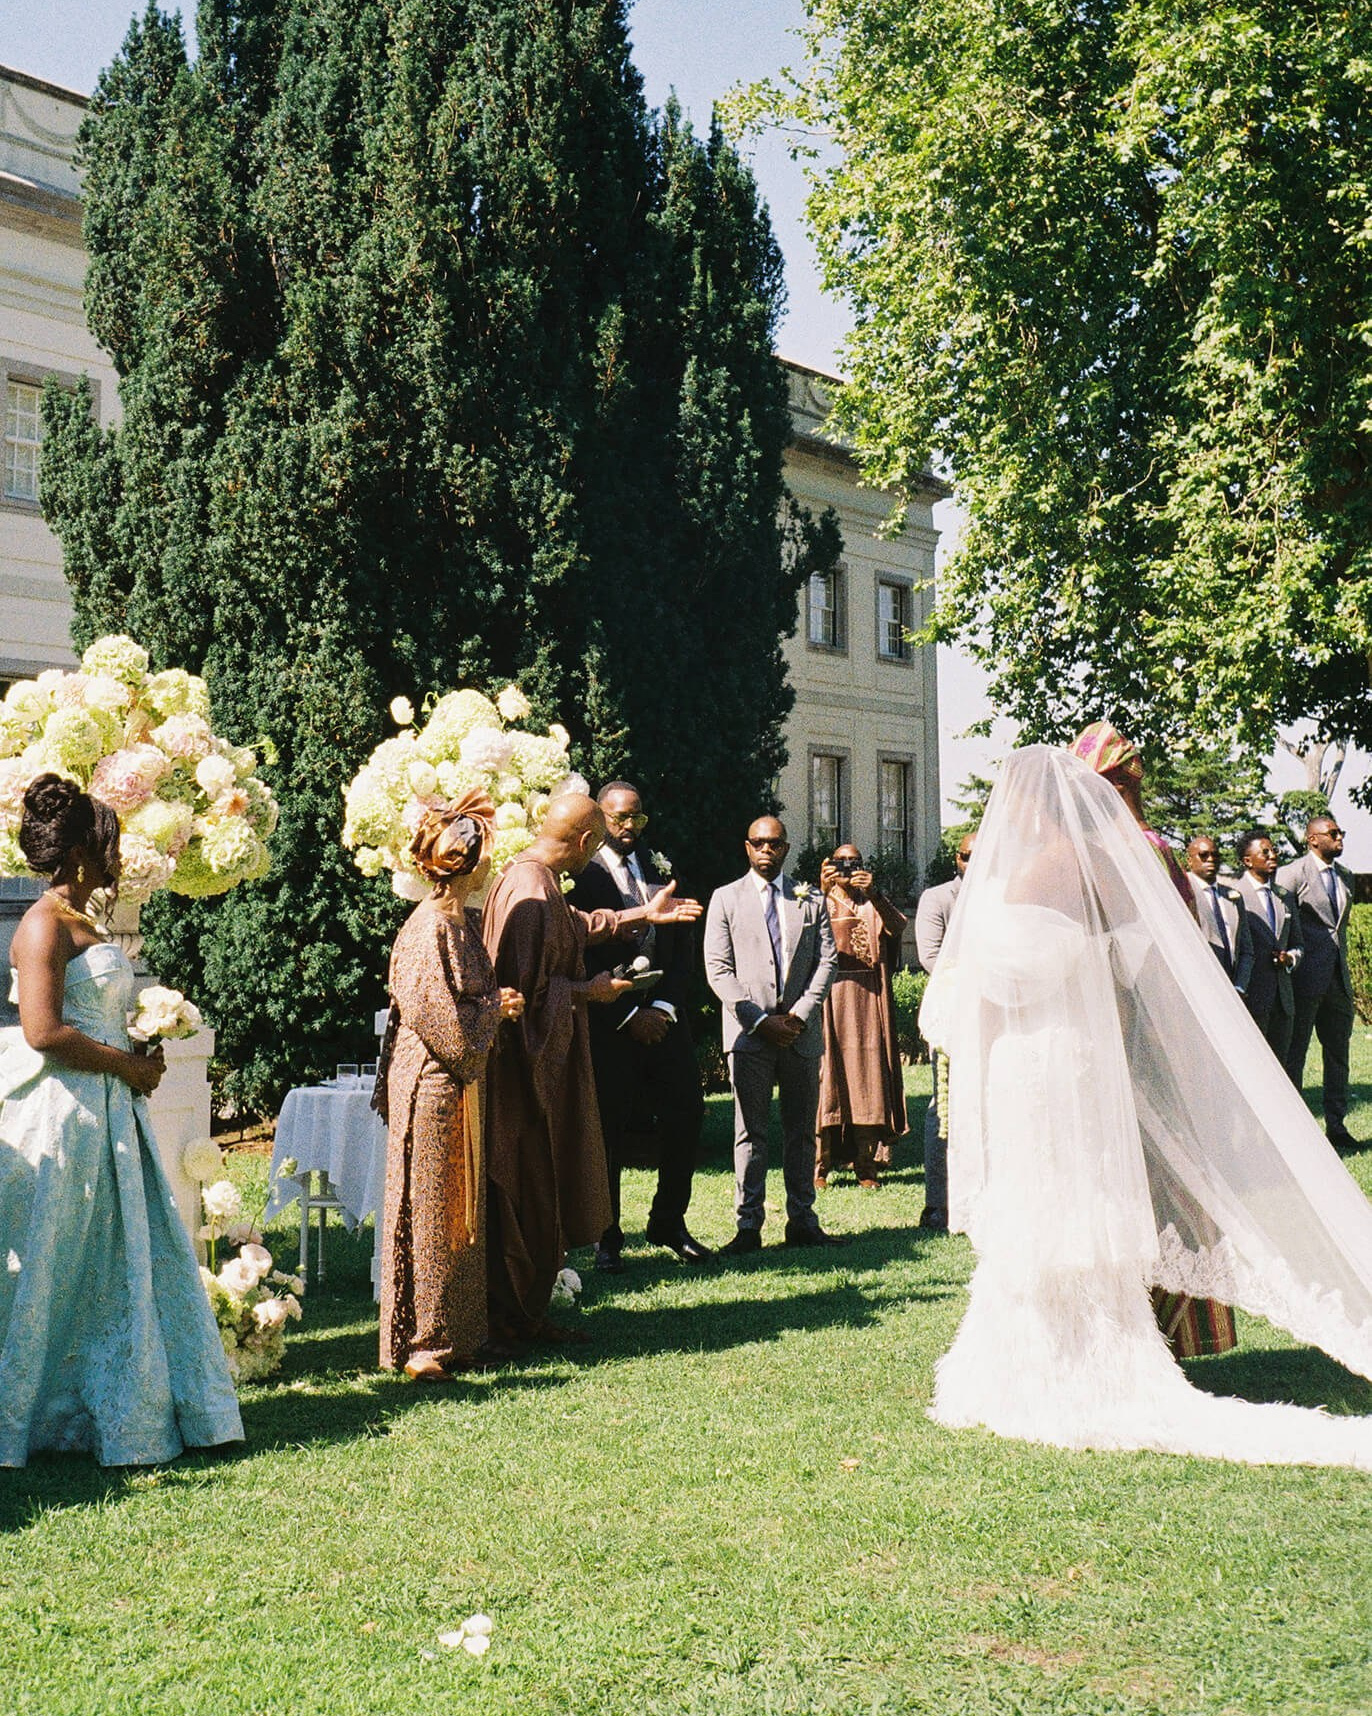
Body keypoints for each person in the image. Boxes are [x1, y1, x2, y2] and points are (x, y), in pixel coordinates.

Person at [921, 745, 1372, 1469]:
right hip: (1072, 1051)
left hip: (1038, 1057)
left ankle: (1055, 1357)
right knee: (1072, 1188)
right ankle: (1065, 1345)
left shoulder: (1033, 869)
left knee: (1050, 1188)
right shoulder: (1110, 862)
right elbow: (1137, 959)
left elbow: (987, 985)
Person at [0, 774, 243, 1466]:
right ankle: (29, 1414)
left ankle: (116, 1403)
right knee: (55, 1258)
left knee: (113, 1261)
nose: (119, 852)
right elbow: (44, 1031)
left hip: (109, 1109)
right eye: (109, 840)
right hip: (66, 1111)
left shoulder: (87, 921)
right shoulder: (43, 923)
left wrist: (137, 1044)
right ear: (80, 851)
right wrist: (126, 1065)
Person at [481, 793, 702, 1346]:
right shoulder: (531, 891)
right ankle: (514, 1318)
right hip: (524, 1081)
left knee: (539, 1189)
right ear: (584, 843)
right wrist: (593, 991)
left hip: (535, 1074)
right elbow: (523, 999)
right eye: (594, 846)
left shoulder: (530, 879)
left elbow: (576, 926)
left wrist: (641, 913)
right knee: (528, 1188)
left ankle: (526, 1314)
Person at [1066, 721, 1236, 1360]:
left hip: (1126, 1026)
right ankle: (1164, 1328)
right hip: (1145, 1025)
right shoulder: (1152, 848)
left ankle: (1131, 1328)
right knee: (1155, 1172)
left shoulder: (1112, 850)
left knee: (1131, 1171)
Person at [374, 793, 525, 1382]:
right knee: (434, 1208)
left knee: (460, 1207)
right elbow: (439, 1018)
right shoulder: (428, 927)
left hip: (457, 1081)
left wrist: (491, 1006)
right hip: (435, 1084)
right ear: (466, 863)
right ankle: (422, 1342)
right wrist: (495, 1009)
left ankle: (457, 1334)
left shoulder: (458, 922)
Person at [568, 781, 710, 1272]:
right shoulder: (581, 877)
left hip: (665, 1019)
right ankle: (607, 1237)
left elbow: (682, 944)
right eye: (619, 818)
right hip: (611, 1022)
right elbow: (575, 955)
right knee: (608, 1127)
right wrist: (628, 1015)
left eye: (637, 818)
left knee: (688, 1112)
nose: (629, 828)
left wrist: (666, 1008)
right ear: (600, 820)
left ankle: (668, 1220)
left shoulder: (659, 865)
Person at [703, 815, 840, 1253]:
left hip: (799, 1034)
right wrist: (760, 1020)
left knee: (802, 1132)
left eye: (774, 844)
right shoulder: (725, 899)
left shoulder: (809, 900)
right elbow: (718, 970)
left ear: (786, 847)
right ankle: (748, 1226)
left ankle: (802, 1219)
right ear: (747, 847)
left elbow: (827, 962)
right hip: (750, 1036)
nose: (766, 850)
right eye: (759, 843)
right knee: (750, 1132)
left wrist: (798, 1016)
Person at [814, 844, 908, 1190]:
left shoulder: (872, 904)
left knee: (868, 1081)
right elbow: (801, 935)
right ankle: (819, 1166)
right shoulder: (818, 900)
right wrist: (820, 894)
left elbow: (898, 927)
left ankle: (866, 1163)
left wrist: (876, 893)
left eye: (855, 862)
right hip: (829, 1001)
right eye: (841, 862)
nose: (848, 867)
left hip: (868, 1001)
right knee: (827, 1081)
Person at [1278, 817, 1361, 1151]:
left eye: (1342, 832)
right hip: (1303, 980)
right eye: (1333, 834)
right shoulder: (1292, 873)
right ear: (1313, 839)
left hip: (1337, 981)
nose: (1340, 838)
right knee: (1295, 1055)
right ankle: (1294, 1131)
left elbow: (1337, 930)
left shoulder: (1345, 877)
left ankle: (1337, 1126)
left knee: (1338, 1055)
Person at [914, 831, 974, 1231]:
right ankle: (938, 1203)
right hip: (954, 1013)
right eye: (968, 856)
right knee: (945, 1107)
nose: (975, 863)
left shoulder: (1005, 897)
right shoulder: (937, 899)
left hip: (1002, 1016)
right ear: (957, 858)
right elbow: (931, 957)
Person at [1235, 829, 1303, 1063]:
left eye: (1273, 850)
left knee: (1281, 1063)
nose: (1272, 855)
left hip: (1283, 1000)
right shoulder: (1235, 896)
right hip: (1252, 995)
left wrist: (1290, 959)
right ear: (1247, 861)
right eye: (1264, 852)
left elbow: (1298, 944)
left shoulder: (1284, 897)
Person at [1185, 834, 1254, 998]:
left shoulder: (1233, 896)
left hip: (1232, 992)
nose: (1210, 859)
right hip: (1196, 989)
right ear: (1189, 860)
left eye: (1215, 855)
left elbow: (1246, 950)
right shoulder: (1182, 893)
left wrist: (1240, 986)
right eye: (1203, 855)